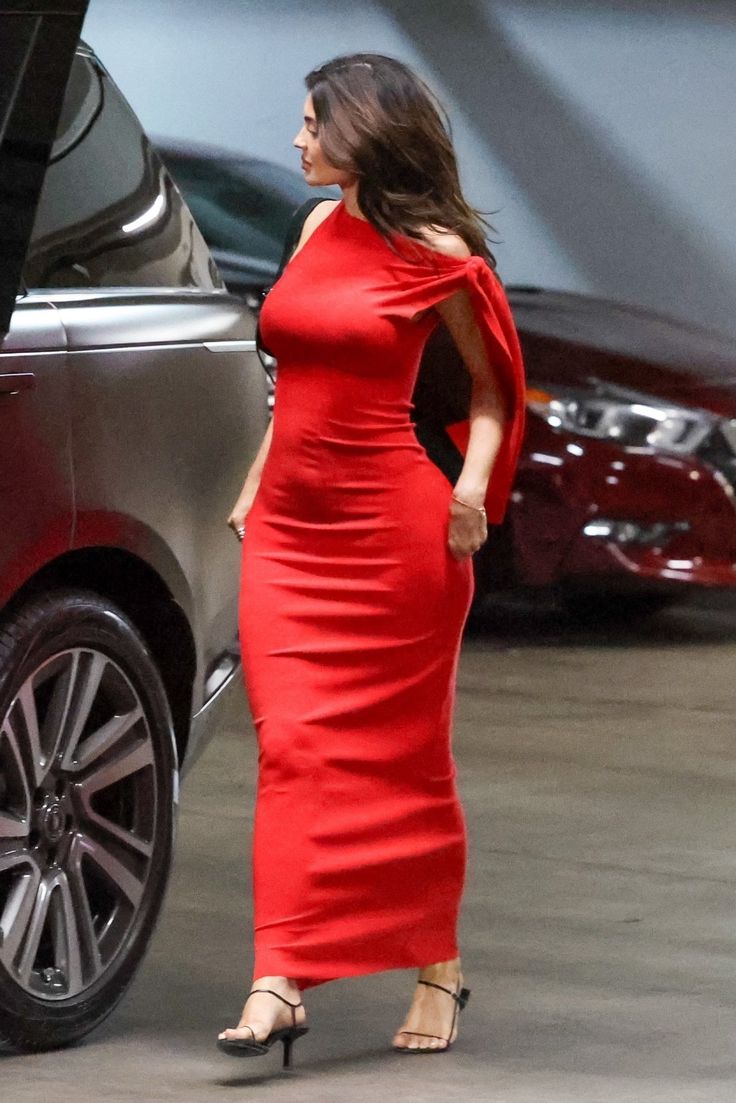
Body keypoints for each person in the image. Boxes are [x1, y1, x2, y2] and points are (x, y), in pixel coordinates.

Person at [220, 51, 526, 1067]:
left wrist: (473, 490)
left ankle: (436, 964)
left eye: (311, 121)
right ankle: (280, 971)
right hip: (289, 538)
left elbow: (491, 392)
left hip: (399, 538)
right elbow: (296, 375)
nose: (298, 138)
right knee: (292, 748)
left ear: (361, 129)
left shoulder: (436, 251)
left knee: (401, 760)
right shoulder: (314, 227)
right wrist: (258, 479)